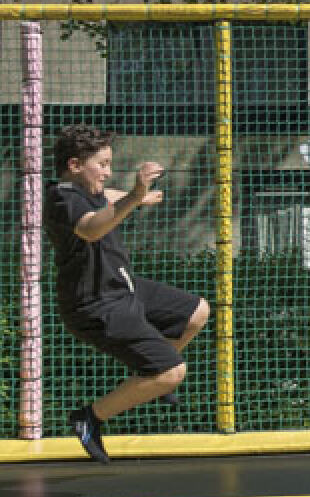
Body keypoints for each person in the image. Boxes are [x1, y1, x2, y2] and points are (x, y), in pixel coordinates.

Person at [43, 123, 210, 463]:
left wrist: (138, 197)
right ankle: (90, 417)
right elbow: (91, 229)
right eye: (102, 164)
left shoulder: (87, 191)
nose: (108, 172)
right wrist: (135, 195)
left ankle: (153, 377)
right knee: (172, 372)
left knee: (197, 311)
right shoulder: (63, 198)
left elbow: (106, 196)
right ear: (75, 165)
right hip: (96, 304)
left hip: (124, 286)